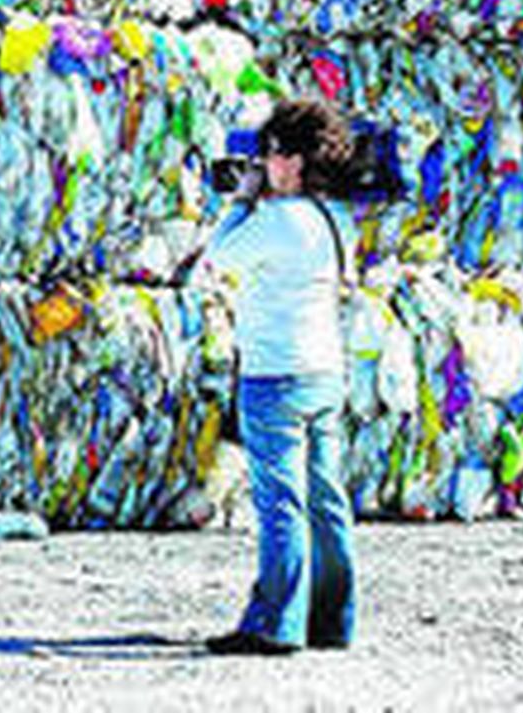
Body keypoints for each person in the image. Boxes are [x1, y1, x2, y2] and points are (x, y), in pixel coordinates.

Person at [197, 98, 357, 656]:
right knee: (326, 500)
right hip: (324, 372)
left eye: (271, 154)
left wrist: (241, 202)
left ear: (294, 160)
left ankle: (275, 623)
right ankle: (332, 621)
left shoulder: (277, 220)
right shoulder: (331, 219)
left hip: (275, 376)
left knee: (281, 502)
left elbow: (218, 257)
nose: (264, 163)